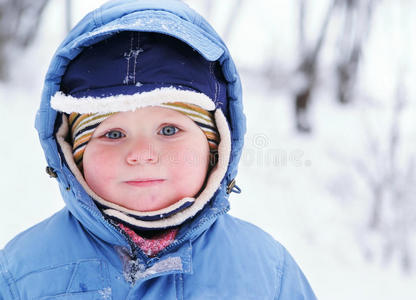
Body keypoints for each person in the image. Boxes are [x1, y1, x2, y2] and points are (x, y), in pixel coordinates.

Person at [0, 0, 317, 299]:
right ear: (72, 154)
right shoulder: (21, 275)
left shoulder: (265, 272)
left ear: (216, 147)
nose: (141, 154)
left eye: (169, 130)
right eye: (113, 133)